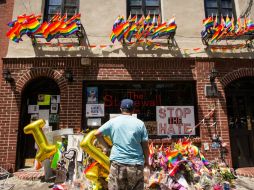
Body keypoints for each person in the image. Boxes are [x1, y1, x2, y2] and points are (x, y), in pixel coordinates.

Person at [95, 98, 150, 190]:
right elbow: (145, 145)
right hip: (135, 164)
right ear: (133, 110)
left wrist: (106, 147)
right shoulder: (140, 124)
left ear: (121, 109)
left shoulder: (113, 122)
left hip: (117, 163)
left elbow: (97, 134)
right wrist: (147, 162)